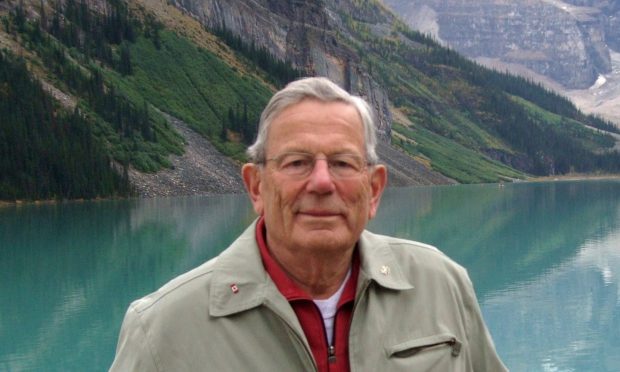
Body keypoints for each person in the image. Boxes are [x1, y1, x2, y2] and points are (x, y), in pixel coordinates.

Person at [110, 77, 507, 371]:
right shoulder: (162, 329)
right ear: (256, 186)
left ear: (374, 188)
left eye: (342, 163)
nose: (321, 182)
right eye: (296, 162)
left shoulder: (442, 285)